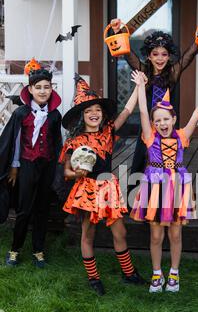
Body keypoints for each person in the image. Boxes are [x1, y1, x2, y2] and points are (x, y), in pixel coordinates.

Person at [131, 70, 198, 293]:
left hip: (177, 186)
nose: (162, 123)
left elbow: (197, 115)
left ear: (173, 120)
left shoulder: (182, 136)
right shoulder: (149, 137)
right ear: (153, 123)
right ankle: (156, 273)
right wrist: (141, 87)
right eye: (157, 120)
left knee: (175, 233)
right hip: (154, 188)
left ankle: (174, 273)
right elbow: (142, 110)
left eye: (166, 119)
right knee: (156, 234)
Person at [59, 74, 146, 296]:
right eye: (88, 111)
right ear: (81, 116)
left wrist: (138, 86)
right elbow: (66, 171)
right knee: (88, 234)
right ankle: (93, 278)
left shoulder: (108, 131)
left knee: (121, 231)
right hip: (87, 189)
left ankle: (129, 273)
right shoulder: (74, 142)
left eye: (97, 109)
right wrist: (76, 173)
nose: (94, 114)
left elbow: (127, 111)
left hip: (108, 187)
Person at [110, 18, 198, 177]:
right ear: (149, 56)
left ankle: (168, 193)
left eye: (164, 54)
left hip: (166, 125)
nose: (160, 58)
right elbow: (128, 54)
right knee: (141, 159)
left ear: (169, 56)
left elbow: (189, 55)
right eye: (155, 54)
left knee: (168, 160)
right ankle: (140, 195)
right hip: (148, 125)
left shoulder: (172, 73)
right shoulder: (144, 71)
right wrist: (119, 33)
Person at [0, 59, 62, 267]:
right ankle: (15, 249)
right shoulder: (21, 113)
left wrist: (56, 170)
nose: (43, 91)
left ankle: (38, 250)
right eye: (38, 88)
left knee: (42, 208)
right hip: (26, 164)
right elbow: (15, 142)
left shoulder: (54, 115)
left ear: (51, 89)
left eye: (47, 87)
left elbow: (56, 143)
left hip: (47, 165)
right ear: (30, 89)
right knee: (24, 209)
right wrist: (14, 166)